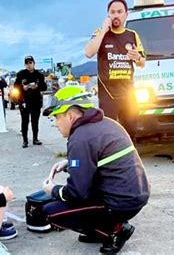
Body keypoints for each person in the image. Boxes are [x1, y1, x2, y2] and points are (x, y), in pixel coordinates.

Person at [41, 86, 150, 254]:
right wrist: (69, 162)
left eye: (56, 117)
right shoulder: (106, 123)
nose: (55, 124)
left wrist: (53, 190)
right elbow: (98, 161)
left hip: (119, 203)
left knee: (52, 212)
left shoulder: (80, 138)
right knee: (73, 202)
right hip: (134, 195)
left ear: (70, 116)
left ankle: (114, 231)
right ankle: (99, 228)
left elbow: (77, 192)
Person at [84, 0, 146, 139]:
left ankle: (129, 160)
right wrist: (104, 30)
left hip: (129, 94)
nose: (116, 15)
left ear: (126, 14)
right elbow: (88, 52)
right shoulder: (100, 33)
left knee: (130, 133)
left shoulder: (132, 35)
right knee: (108, 134)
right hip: (108, 96)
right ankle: (109, 160)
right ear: (108, 15)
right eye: (112, 12)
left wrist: (137, 57)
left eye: (119, 12)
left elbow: (142, 63)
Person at [14, 55, 47, 148]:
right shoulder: (21, 74)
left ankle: (35, 139)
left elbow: (44, 87)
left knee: (35, 121)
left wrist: (37, 86)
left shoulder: (39, 75)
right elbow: (15, 86)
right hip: (24, 101)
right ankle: (25, 140)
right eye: (27, 63)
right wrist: (22, 88)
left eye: (30, 63)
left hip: (36, 101)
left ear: (34, 63)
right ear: (24, 64)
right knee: (24, 121)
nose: (29, 65)